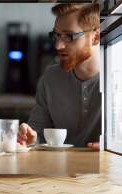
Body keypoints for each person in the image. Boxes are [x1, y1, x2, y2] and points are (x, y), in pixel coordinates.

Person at [18, 4, 101, 150]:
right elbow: (37, 134)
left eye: (69, 36)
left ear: (95, 37)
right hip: (58, 169)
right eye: (56, 35)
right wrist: (30, 137)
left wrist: (114, 146)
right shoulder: (50, 77)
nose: (58, 45)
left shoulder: (121, 78)